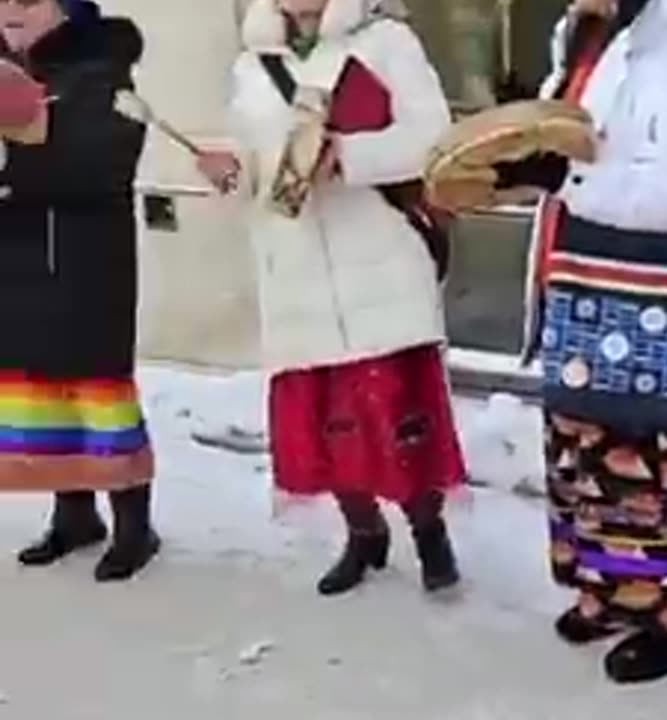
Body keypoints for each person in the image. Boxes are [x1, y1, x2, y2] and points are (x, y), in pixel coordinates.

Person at [499, 0, 667, 684]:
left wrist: (565, 178)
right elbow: (582, 136)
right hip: (582, 278)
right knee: (586, 448)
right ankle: (612, 588)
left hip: (645, 294)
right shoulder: (590, 36)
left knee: (648, 452)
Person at [196, 0, 466, 597]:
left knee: (394, 405)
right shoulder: (252, 64)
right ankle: (363, 534)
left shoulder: (387, 40)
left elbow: (433, 138)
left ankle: (429, 532)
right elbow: (251, 155)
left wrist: (346, 156)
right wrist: (229, 171)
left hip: (374, 250)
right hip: (294, 264)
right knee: (329, 415)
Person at [0, 0, 159, 582]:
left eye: (28, 0)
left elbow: (102, 165)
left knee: (98, 390)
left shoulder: (101, 71)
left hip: (87, 259)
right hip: (15, 256)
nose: (9, 11)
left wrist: (16, 154)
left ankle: (134, 523)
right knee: (42, 389)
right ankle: (73, 515)